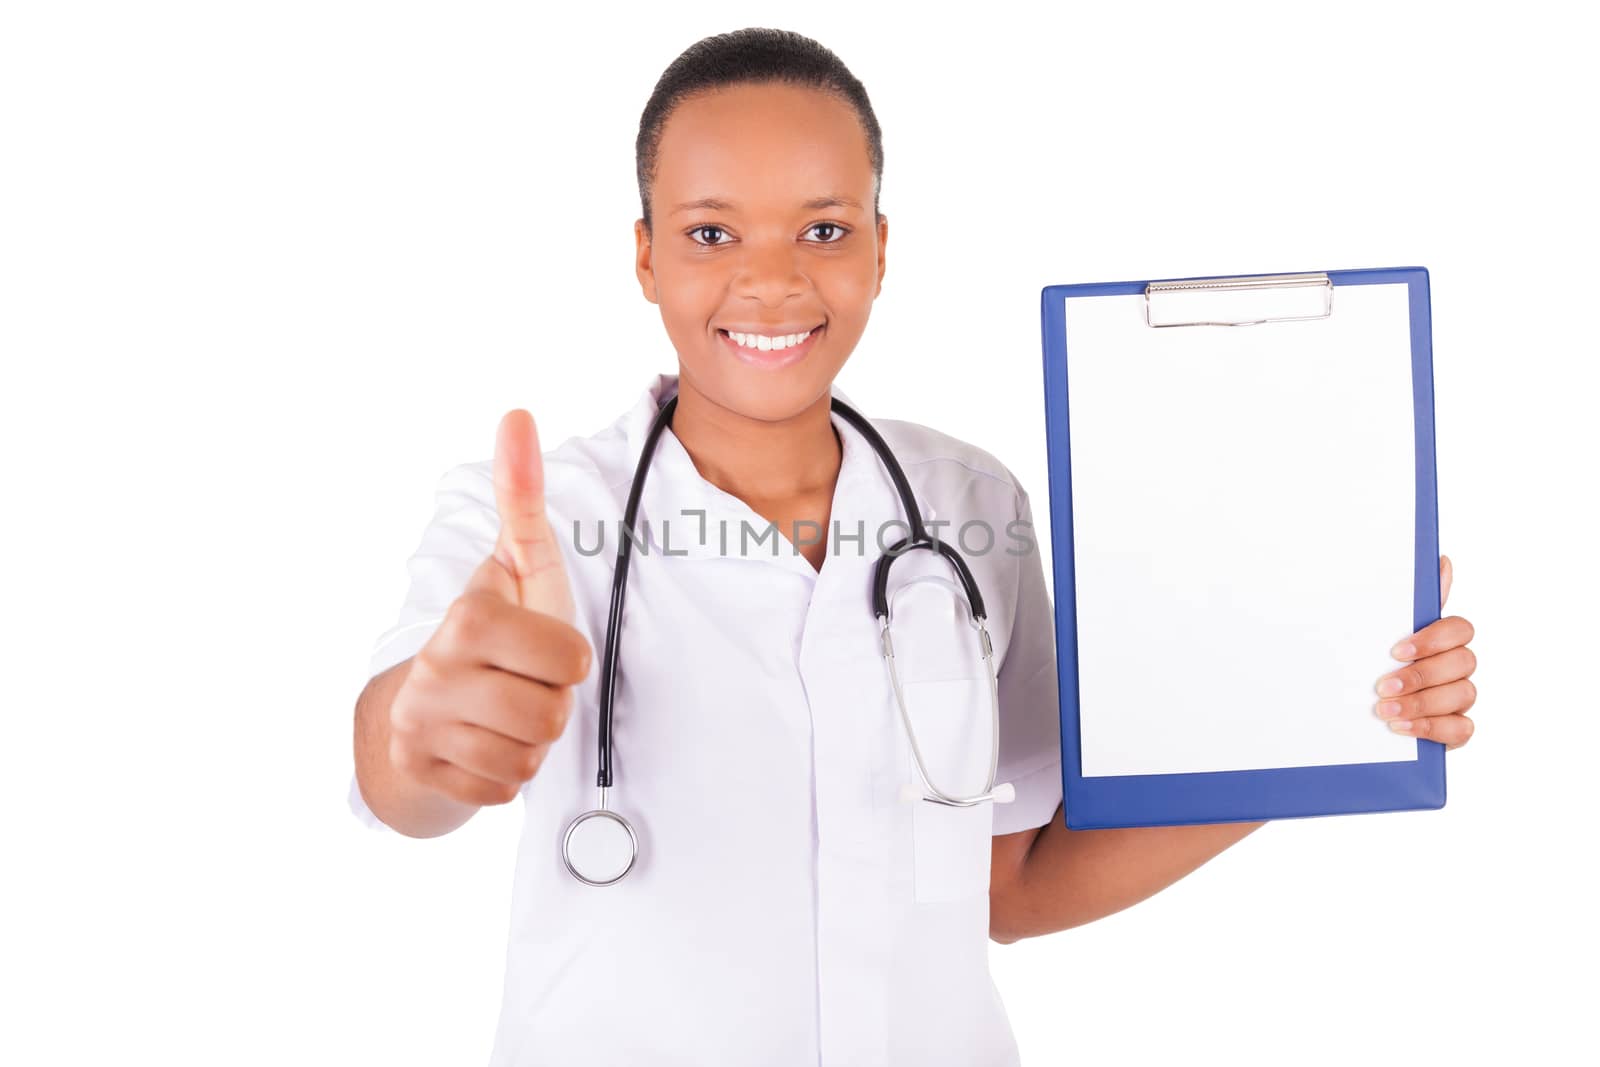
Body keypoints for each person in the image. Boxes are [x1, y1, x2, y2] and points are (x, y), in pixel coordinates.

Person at [348, 27, 1480, 1067]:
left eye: (825, 229)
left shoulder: (967, 503)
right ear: (645, 259)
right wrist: (428, 729)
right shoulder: (537, 518)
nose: (774, 277)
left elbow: (1012, 879)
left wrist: (1323, 719)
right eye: (709, 232)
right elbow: (400, 773)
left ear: (881, 251)